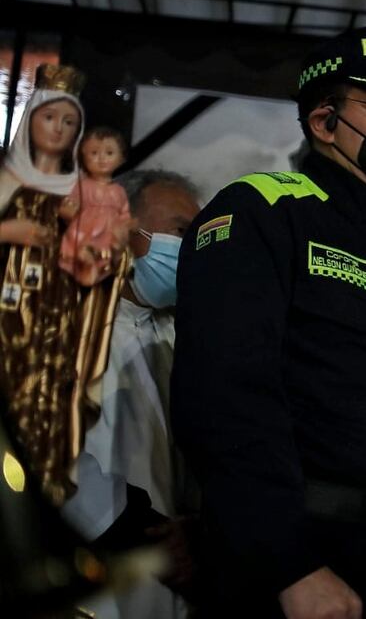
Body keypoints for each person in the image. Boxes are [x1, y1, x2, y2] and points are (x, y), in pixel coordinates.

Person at [172, 26, 366, 617]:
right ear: (325, 122)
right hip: (297, 556)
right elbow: (223, 398)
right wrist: (289, 564)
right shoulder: (259, 211)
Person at [62, 169, 202, 619]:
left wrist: (194, 533)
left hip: (175, 577)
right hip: (91, 566)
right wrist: (139, 529)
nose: (190, 249)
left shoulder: (181, 335)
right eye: (180, 231)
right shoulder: (60, 325)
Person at [1, 64, 128, 505]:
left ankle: (36, 486)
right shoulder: (7, 179)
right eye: (50, 116)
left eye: (70, 121)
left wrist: (106, 253)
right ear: (30, 119)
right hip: (6, 307)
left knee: (48, 393)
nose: (58, 128)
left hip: (57, 311)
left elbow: (105, 243)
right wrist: (10, 231)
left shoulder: (82, 189)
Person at [59, 126, 132, 286]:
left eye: (109, 153)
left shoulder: (119, 191)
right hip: (85, 230)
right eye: (94, 153)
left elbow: (124, 214)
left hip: (108, 234)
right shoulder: (82, 185)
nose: (101, 158)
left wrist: (125, 227)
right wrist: (69, 211)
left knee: (107, 255)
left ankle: (94, 267)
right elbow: (69, 205)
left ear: (121, 158)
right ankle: (84, 259)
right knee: (81, 242)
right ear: (84, 156)